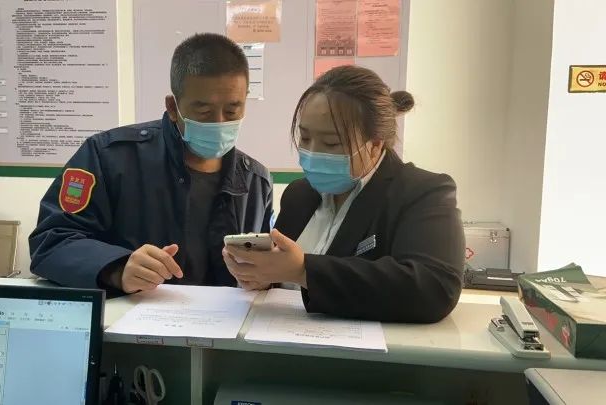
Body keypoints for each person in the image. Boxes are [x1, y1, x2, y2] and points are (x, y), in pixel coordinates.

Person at [30, 33, 273, 293]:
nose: (219, 122)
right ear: (173, 107)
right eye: (204, 112)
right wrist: (117, 269)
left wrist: (266, 277)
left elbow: (268, 267)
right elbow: (51, 241)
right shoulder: (108, 157)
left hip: (226, 319)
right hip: (131, 315)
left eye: (233, 111)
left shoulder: (256, 182)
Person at [224, 66, 464, 323]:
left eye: (332, 143)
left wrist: (304, 271)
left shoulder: (423, 192)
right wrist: (262, 276)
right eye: (305, 138)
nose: (313, 152)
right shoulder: (299, 195)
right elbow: (283, 279)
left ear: (375, 144)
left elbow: (434, 288)